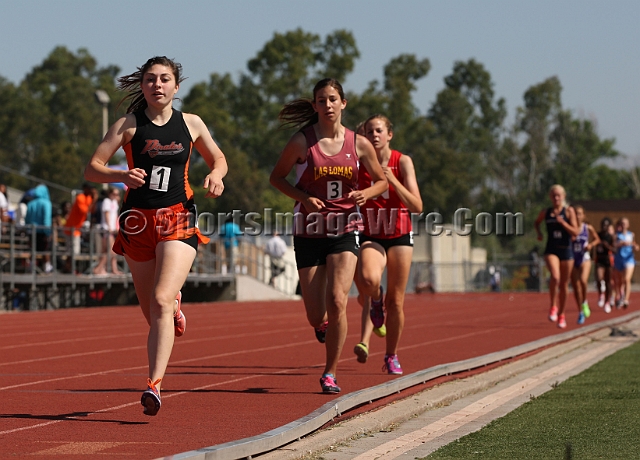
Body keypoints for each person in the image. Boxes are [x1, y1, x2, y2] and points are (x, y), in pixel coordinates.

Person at [84, 56, 228, 416]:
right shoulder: (129, 125)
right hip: (136, 223)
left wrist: (216, 176)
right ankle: (174, 309)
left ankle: (154, 385)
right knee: (153, 310)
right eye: (150, 79)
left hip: (178, 217)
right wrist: (120, 175)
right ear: (144, 86)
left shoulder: (191, 124)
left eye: (165, 79)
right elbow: (92, 168)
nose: (157, 85)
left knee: (161, 299)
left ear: (176, 87)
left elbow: (219, 158)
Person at [269, 78, 387, 394]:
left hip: (345, 229)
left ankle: (330, 372)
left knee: (338, 301)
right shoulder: (301, 142)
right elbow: (276, 178)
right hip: (309, 231)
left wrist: (367, 193)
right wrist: (303, 198)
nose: (328, 105)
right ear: (315, 106)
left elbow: (381, 182)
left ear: (343, 103)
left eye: (333, 99)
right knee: (314, 314)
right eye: (322, 100)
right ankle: (322, 325)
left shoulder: (358, 144)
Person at [352, 114, 422, 376]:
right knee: (369, 280)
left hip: (400, 234)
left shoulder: (402, 161)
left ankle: (391, 355)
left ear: (389, 134)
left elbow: (417, 206)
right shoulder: (359, 164)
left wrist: (392, 181)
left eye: (379, 130)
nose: (375, 135)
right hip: (372, 233)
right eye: (369, 132)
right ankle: (375, 301)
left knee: (397, 302)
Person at [534, 184, 579, 329]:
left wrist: (563, 223)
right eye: (553, 195)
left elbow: (576, 232)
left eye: (559, 195)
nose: (556, 198)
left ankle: (562, 314)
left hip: (566, 250)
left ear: (564, 196)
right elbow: (537, 222)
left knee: (564, 284)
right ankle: (553, 306)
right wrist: (539, 234)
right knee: (555, 277)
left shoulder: (569, 211)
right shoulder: (546, 212)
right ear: (550, 197)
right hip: (551, 249)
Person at [570, 205, 600, 325]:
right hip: (572, 259)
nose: (577, 216)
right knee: (575, 287)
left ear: (583, 215)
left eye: (579, 213)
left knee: (583, 280)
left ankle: (585, 301)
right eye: (575, 213)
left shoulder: (587, 228)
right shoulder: (569, 228)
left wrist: (591, 245)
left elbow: (597, 239)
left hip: (584, 257)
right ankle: (580, 311)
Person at [93, 186, 123, 275]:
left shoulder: (114, 202)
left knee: (109, 250)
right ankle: (98, 268)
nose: (116, 196)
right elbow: (106, 214)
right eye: (114, 194)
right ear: (110, 194)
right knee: (110, 250)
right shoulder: (107, 201)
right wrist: (110, 226)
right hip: (107, 228)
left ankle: (113, 269)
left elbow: (115, 216)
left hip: (112, 228)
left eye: (117, 194)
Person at [64, 183, 98, 260]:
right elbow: (85, 211)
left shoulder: (89, 198)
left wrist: (94, 199)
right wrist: (93, 200)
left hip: (77, 228)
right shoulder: (80, 197)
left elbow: (92, 211)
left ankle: (70, 269)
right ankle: (69, 269)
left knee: (75, 252)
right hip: (71, 228)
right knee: (72, 252)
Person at [24, 184, 53, 273]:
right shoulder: (46, 203)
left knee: (33, 250)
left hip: (31, 231)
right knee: (45, 250)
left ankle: (31, 267)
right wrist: (48, 233)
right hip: (42, 231)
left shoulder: (30, 203)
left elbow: (27, 219)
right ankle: (47, 267)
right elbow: (46, 220)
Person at [612, 217, 638, 309]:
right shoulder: (616, 235)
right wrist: (620, 244)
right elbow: (613, 246)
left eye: (625, 223)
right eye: (622, 223)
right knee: (619, 281)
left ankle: (626, 300)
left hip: (629, 259)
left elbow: (635, 245)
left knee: (627, 279)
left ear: (628, 225)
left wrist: (635, 247)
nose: (623, 225)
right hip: (619, 259)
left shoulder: (631, 234)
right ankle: (619, 296)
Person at [593, 217, 615, 313]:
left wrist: (608, 246)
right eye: (603, 225)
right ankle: (600, 294)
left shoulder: (611, 237)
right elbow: (593, 244)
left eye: (606, 225)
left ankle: (607, 302)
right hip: (599, 260)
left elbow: (615, 250)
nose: (604, 227)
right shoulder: (597, 235)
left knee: (608, 282)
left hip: (608, 260)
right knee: (599, 278)